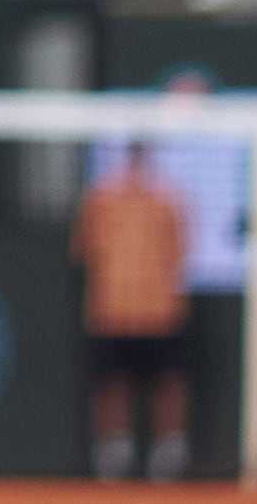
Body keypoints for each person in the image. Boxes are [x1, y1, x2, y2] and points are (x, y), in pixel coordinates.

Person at [75, 137, 193, 479]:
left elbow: (180, 252)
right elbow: (84, 250)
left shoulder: (168, 200)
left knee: (167, 380)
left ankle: (169, 450)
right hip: (112, 310)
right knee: (112, 381)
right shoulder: (101, 199)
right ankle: (115, 449)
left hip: (158, 310)